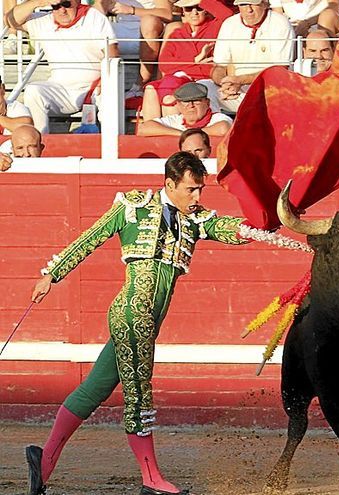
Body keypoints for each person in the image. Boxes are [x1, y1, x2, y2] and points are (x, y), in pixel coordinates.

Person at [25, 152, 251, 495]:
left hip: (146, 321)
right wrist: (51, 274)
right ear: (170, 184)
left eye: (200, 190)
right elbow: (92, 237)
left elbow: (230, 229)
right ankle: (152, 480)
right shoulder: (133, 206)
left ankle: (43, 462)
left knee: (95, 389)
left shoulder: (194, 218)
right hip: (132, 316)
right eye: (191, 190)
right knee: (139, 396)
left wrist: (263, 225)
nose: (197, 197)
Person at [6, 0, 119, 134]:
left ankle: (113, 144)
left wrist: (104, 81)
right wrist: (39, 2)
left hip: (94, 87)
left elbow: (112, 54)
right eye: (56, 6)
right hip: (61, 89)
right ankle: (39, 143)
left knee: (108, 92)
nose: (62, 10)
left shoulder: (93, 17)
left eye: (66, 4)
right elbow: (10, 20)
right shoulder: (44, 20)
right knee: (33, 90)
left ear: (77, 2)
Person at [141, 0, 233, 121]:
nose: (194, 12)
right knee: (151, 89)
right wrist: (196, 60)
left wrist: (202, 0)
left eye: (199, 8)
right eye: (189, 9)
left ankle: (173, 132)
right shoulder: (177, 34)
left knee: (172, 94)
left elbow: (228, 16)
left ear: (205, 10)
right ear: (183, 12)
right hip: (177, 80)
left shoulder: (215, 27)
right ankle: (152, 132)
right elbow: (165, 65)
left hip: (201, 80)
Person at [202, 0, 293, 113]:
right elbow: (219, 66)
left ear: (265, 4)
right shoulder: (229, 24)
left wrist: (240, 80)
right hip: (236, 90)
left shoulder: (280, 23)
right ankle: (219, 125)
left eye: (254, 4)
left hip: (270, 90)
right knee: (203, 88)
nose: (248, 10)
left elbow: (280, 70)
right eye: (243, 4)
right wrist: (225, 83)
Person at [93, 0, 175, 88]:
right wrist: (101, 5)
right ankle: (96, 85)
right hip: (122, 27)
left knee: (148, 22)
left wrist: (131, 10)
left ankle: (141, 83)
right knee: (94, 28)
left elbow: (167, 14)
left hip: (150, 29)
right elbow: (96, 11)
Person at [138, 82, 233, 136]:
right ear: (178, 105)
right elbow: (143, 128)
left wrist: (187, 134)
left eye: (196, 101)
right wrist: (181, 134)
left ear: (207, 103)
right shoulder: (176, 120)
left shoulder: (217, 118)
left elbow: (224, 129)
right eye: (186, 102)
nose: (191, 105)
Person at [269, 0, 339, 37]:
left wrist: (306, 23)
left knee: (327, 17)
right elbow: (278, 15)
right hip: (293, 26)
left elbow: (334, 6)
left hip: (320, 23)